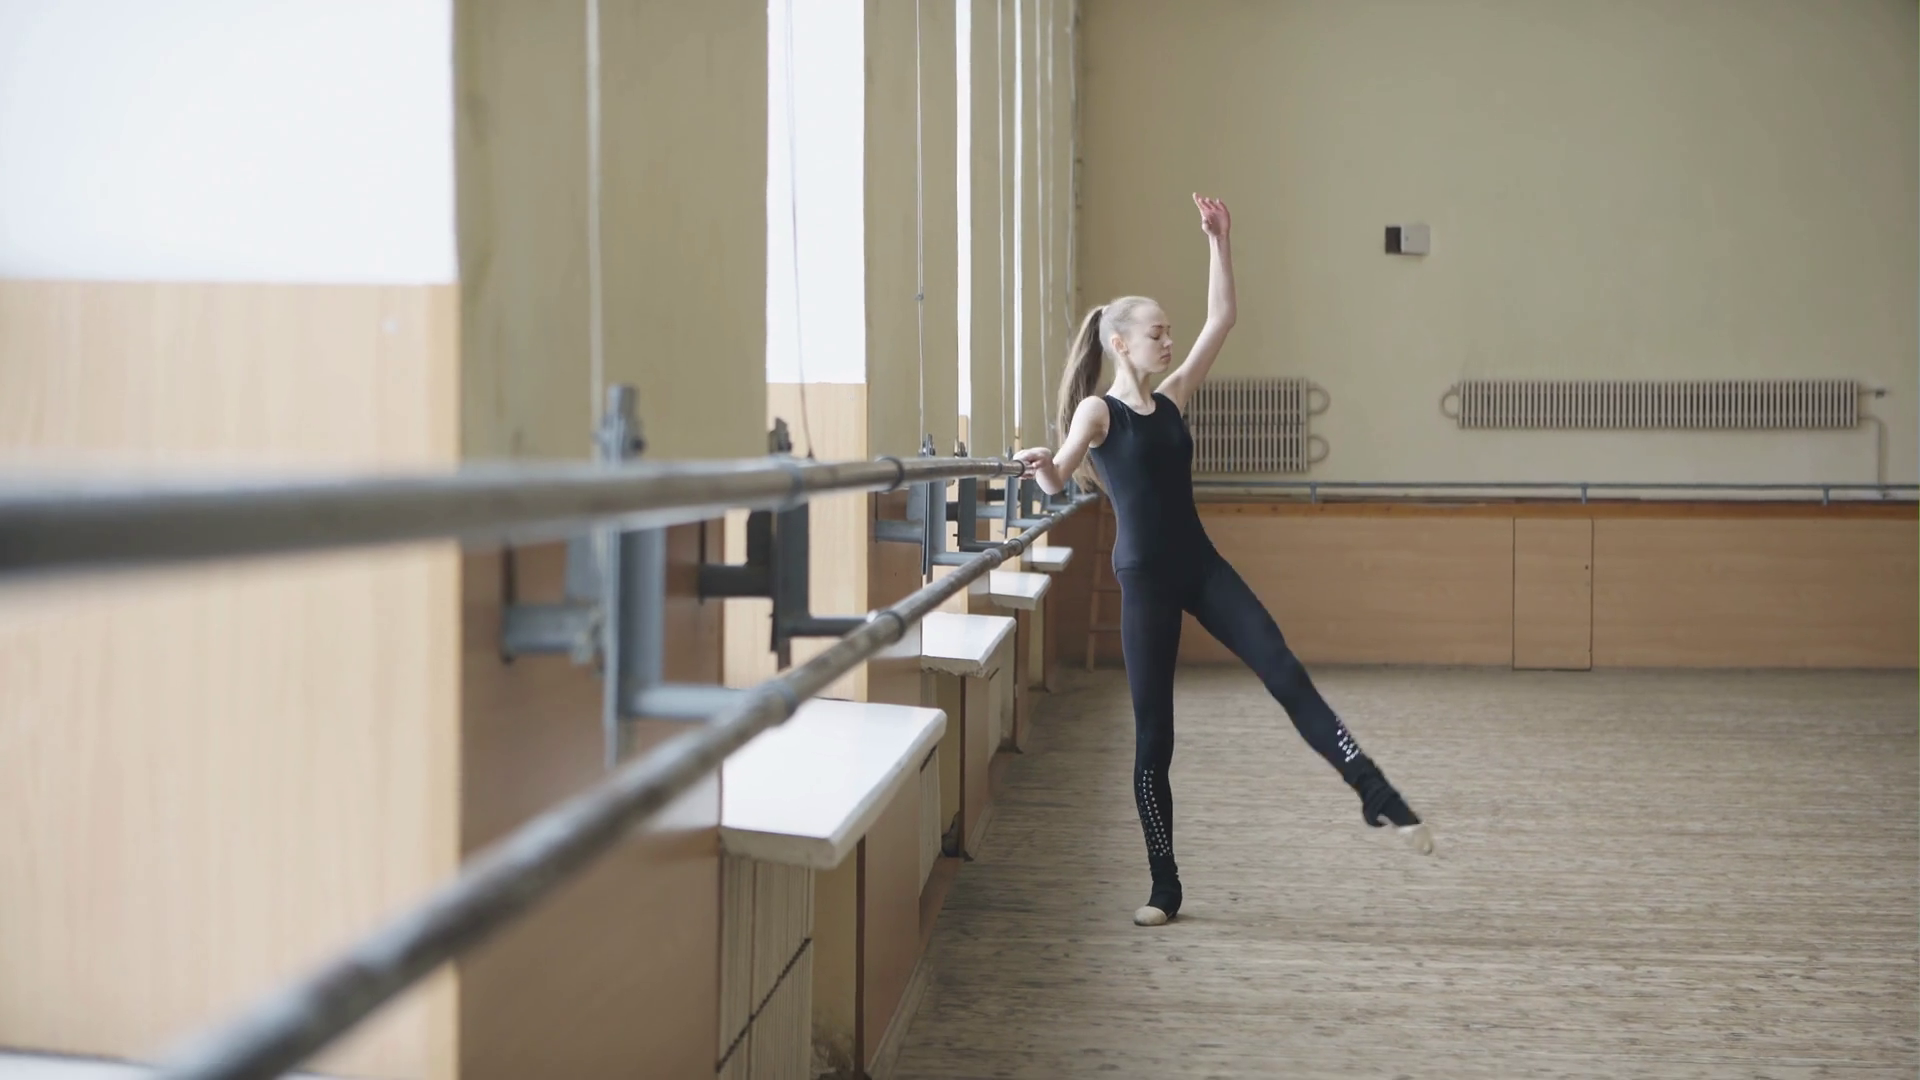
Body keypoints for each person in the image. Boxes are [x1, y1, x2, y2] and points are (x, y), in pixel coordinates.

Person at [1014, 193, 1433, 928]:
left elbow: (1223, 318)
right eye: (1156, 333)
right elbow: (1058, 479)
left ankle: (1372, 788)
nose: (1168, 342)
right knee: (1155, 739)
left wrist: (1219, 240)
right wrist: (1042, 466)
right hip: (1144, 580)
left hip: (1201, 565)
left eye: (1168, 332)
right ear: (1120, 344)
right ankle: (1164, 885)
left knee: (1283, 669)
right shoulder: (1098, 412)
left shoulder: (1174, 398)